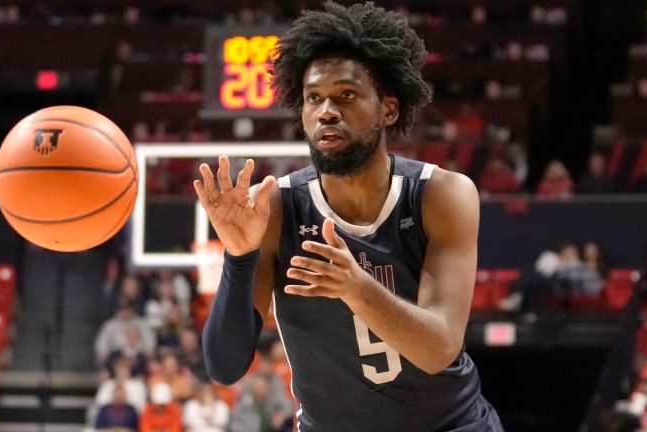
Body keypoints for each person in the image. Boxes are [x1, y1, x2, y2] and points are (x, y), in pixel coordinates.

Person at [194, 3, 503, 431]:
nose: (327, 112)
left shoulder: (441, 194)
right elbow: (224, 367)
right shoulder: (277, 209)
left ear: (388, 110)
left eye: (347, 95)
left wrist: (357, 288)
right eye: (313, 98)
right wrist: (240, 254)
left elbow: (440, 349)